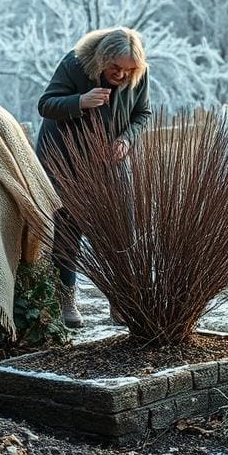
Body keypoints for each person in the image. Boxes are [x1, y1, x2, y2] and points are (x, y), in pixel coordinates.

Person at [35, 27, 151, 328]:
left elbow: (142, 114)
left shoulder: (138, 74)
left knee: (121, 229)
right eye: (116, 68)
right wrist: (80, 101)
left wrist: (126, 140)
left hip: (111, 161)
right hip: (67, 161)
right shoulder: (75, 65)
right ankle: (66, 299)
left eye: (129, 70)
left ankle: (119, 300)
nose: (122, 75)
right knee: (69, 230)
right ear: (103, 58)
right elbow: (45, 105)